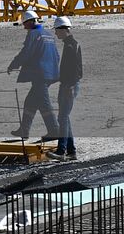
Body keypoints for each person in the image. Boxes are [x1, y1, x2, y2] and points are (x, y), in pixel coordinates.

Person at [7, 9, 60, 141]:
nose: (24, 27)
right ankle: (24, 130)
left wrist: (14, 64)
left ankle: (55, 130)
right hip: (50, 73)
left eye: (25, 23)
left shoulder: (33, 33)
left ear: (30, 22)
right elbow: (56, 55)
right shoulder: (48, 34)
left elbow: (26, 52)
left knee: (44, 103)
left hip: (40, 74)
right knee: (30, 101)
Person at [49, 16, 82, 159]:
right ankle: (71, 151)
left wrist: (69, 85)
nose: (55, 33)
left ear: (62, 29)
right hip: (68, 85)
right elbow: (69, 70)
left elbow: (76, 70)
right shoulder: (71, 44)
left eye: (56, 30)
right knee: (64, 118)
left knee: (62, 118)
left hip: (69, 86)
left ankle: (61, 151)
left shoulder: (71, 46)